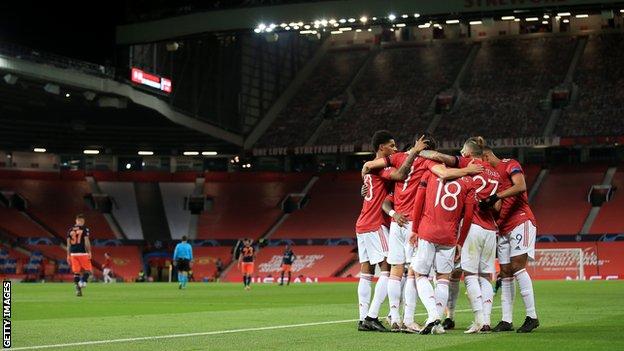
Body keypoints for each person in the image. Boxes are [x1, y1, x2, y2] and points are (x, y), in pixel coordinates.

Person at [409, 168, 477, 335]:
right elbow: (468, 216)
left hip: (427, 231)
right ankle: (437, 325)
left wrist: (415, 229)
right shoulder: (468, 181)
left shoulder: (430, 173)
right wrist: (460, 241)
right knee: (443, 278)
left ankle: (433, 315)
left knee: (420, 275)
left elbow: (419, 202)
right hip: (449, 235)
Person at [481, 142, 540, 333]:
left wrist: (495, 196)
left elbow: (520, 186)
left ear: (486, 157)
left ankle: (532, 316)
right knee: (505, 272)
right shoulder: (489, 179)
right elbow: (497, 206)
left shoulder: (509, 164)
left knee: (517, 267)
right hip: (503, 227)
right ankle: (506, 320)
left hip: (521, 221)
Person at [454, 137, 502, 333]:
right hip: (490, 229)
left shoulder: (469, 166)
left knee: (470, 276)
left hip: (472, 225)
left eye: (463, 151)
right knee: (485, 276)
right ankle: (487, 320)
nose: (461, 154)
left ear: (468, 153)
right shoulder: (496, 173)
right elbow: (497, 205)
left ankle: (479, 320)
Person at [66, 214, 92, 297]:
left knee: (76, 272)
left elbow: (68, 245)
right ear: (81, 221)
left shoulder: (70, 230)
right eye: (83, 221)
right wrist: (89, 252)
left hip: (73, 253)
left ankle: (78, 290)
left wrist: (68, 255)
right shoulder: (85, 229)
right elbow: (86, 241)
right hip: (82, 252)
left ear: (76, 221)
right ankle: (82, 282)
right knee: (88, 270)